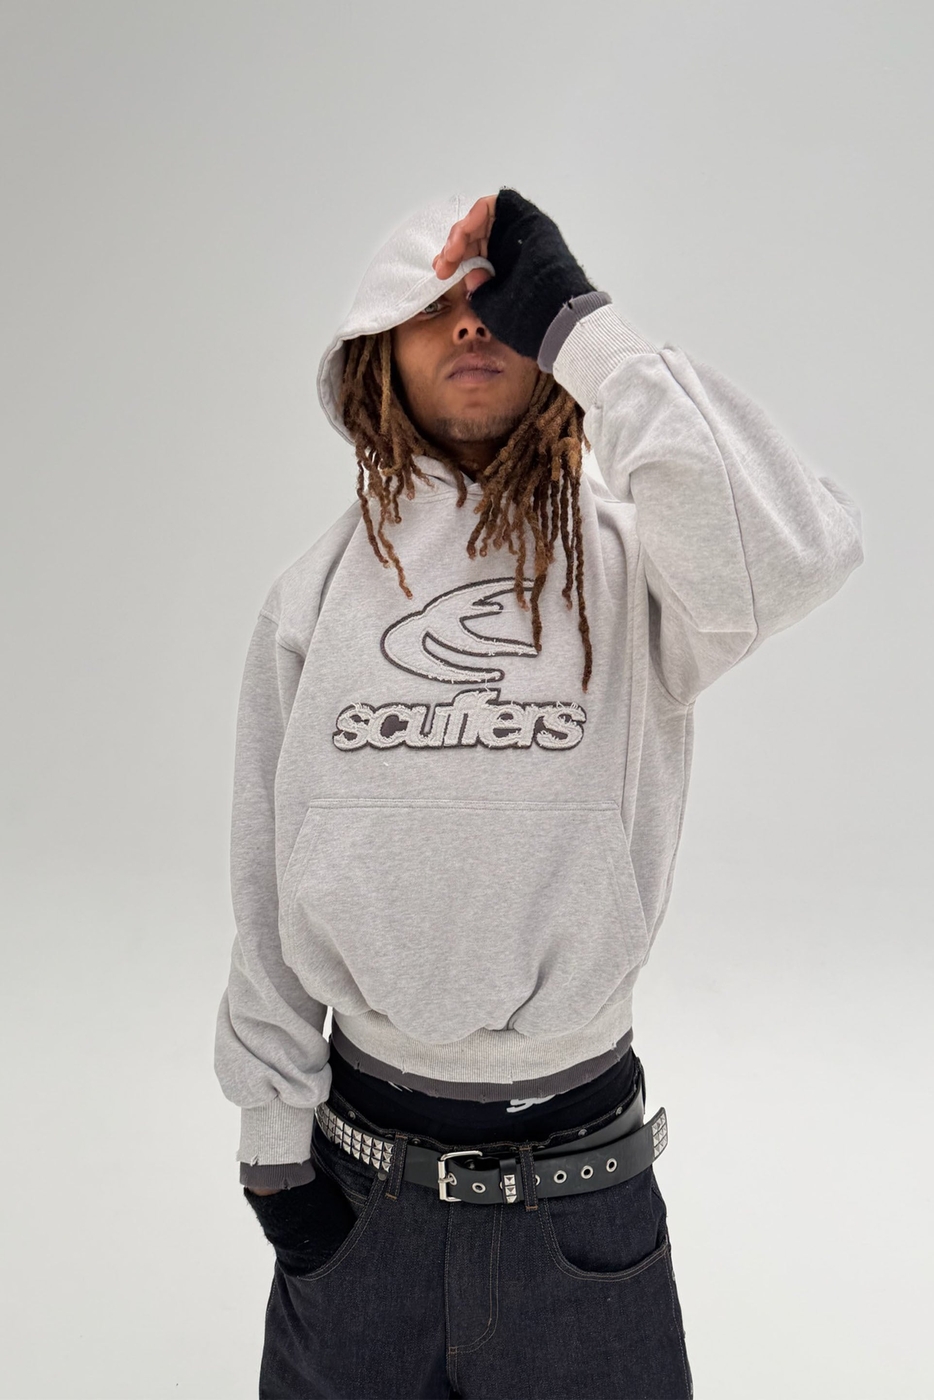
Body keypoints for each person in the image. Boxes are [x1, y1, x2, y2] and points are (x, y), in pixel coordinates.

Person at [213, 187, 864, 1399]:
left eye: (500, 303)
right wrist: (271, 1143)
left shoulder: (639, 566)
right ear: (374, 352)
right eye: (433, 307)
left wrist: (589, 332)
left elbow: (795, 554)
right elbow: (264, 868)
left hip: (581, 1208)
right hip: (356, 1200)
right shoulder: (311, 597)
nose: (471, 324)